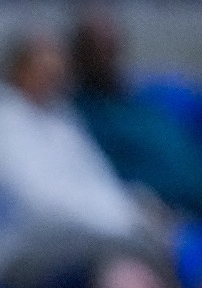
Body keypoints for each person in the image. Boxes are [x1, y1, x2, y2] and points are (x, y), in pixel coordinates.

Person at [0, 31, 166, 288]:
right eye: (44, 70)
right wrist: (126, 223)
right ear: (18, 69)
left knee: (164, 244)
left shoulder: (60, 119)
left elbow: (99, 183)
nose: (53, 79)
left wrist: (138, 209)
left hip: (84, 235)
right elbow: (38, 204)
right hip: (17, 253)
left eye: (58, 72)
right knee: (133, 257)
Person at [71, 9, 202, 219]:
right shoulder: (82, 119)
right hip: (171, 214)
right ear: (78, 58)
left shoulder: (149, 98)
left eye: (111, 48)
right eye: (96, 51)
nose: (107, 59)